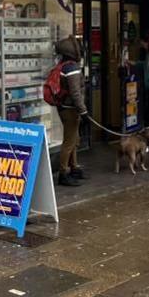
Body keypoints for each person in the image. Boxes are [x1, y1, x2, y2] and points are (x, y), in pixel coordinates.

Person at [54, 36, 88, 186]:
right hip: (70, 110)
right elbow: (75, 93)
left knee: (75, 139)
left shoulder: (63, 65)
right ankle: (64, 173)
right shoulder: (72, 68)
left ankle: (74, 168)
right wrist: (83, 111)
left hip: (65, 107)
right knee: (69, 142)